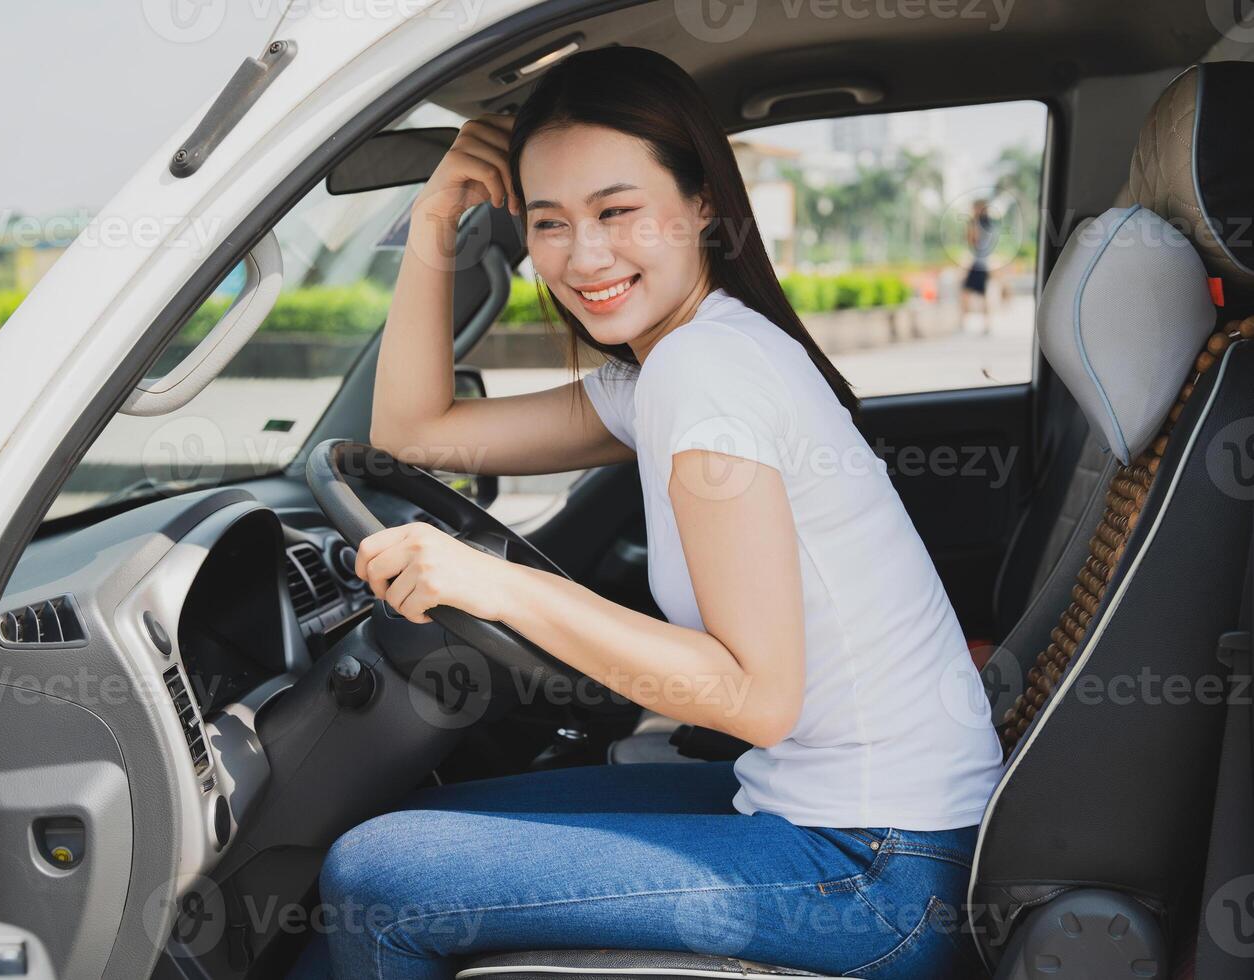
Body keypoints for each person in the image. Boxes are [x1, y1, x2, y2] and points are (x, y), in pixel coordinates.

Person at [288, 45, 1004, 980]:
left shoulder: (708, 375)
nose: (584, 258)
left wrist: (498, 586)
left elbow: (755, 696)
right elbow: (418, 430)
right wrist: (432, 220)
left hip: (875, 869)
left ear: (703, 202)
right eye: (549, 223)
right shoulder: (679, 363)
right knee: (420, 822)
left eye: (617, 211)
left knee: (379, 873)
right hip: (857, 831)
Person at [959, 200, 998, 335]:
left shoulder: (981, 225)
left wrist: (973, 223)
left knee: (968, 293)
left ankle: (968, 324)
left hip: (979, 264)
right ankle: (982, 325)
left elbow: (972, 240)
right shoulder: (989, 225)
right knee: (976, 294)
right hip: (982, 263)